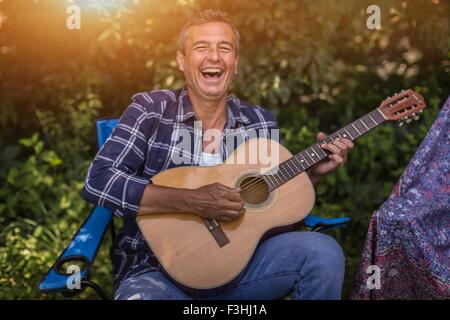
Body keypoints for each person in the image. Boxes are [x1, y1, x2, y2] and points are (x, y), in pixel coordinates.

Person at [82, 9, 354, 300]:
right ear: (181, 61)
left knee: (323, 252)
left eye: (224, 48)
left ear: (234, 64)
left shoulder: (260, 121)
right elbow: (99, 181)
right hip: (156, 274)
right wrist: (191, 201)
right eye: (202, 47)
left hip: (242, 272)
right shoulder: (151, 108)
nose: (214, 56)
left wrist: (310, 177)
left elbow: (273, 218)